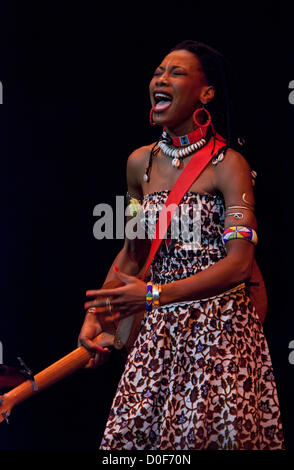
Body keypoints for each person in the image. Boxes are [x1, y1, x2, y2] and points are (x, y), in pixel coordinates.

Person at [78, 40, 285, 450]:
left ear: (205, 94)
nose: (161, 78)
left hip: (219, 333)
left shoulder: (229, 165)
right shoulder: (141, 162)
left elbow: (240, 265)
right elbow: (133, 252)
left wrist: (154, 295)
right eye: (158, 71)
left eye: (176, 72)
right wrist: (99, 315)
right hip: (159, 333)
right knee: (126, 444)